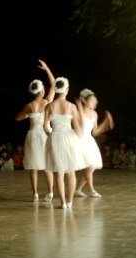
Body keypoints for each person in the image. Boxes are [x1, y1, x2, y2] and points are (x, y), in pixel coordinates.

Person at [43, 75, 86, 209]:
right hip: (69, 138)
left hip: (55, 137)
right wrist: (80, 141)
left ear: (56, 90)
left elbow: (45, 127)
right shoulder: (72, 107)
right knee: (70, 172)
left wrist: (52, 135)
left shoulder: (49, 106)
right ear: (67, 90)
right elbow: (77, 128)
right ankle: (70, 202)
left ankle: (62, 202)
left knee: (59, 173)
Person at [15, 69, 55, 201]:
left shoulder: (29, 106)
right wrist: (47, 69)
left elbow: (17, 118)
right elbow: (54, 84)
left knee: (34, 167)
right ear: (42, 91)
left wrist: (28, 115)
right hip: (45, 134)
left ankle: (35, 194)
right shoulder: (47, 102)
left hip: (33, 134)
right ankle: (50, 192)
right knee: (47, 165)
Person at [74, 89, 114, 198]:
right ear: (85, 101)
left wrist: (106, 122)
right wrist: (80, 109)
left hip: (89, 140)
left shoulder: (94, 114)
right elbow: (82, 125)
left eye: (95, 102)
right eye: (92, 101)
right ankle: (92, 190)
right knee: (90, 167)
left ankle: (78, 189)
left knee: (91, 167)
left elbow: (95, 132)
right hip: (80, 140)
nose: (94, 104)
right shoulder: (78, 112)